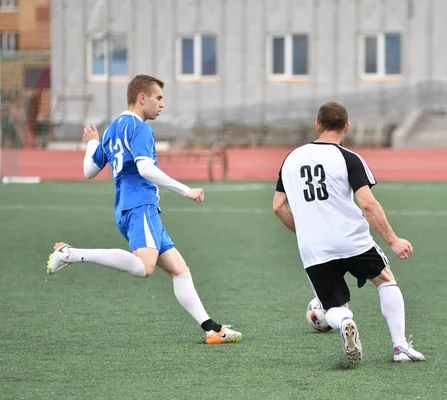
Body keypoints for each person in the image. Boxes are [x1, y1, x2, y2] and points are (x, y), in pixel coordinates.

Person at [46, 74, 242, 345]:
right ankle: (69, 253)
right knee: (144, 268)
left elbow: (89, 170)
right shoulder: (140, 129)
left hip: (129, 208)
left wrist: (92, 142)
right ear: (142, 97)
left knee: (179, 269)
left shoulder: (114, 127)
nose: (162, 104)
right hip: (140, 206)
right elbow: (145, 168)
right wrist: (187, 190)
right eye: (158, 97)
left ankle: (212, 329)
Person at [272, 102, 424, 364]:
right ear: (346, 127)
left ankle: (343, 321)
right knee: (385, 280)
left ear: (317, 125)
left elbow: (278, 206)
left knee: (332, 307)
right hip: (352, 240)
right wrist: (393, 240)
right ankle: (400, 347)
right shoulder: (349, 158)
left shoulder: (291, 159)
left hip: (314, 247)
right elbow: (368, 204)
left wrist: (305, 231)